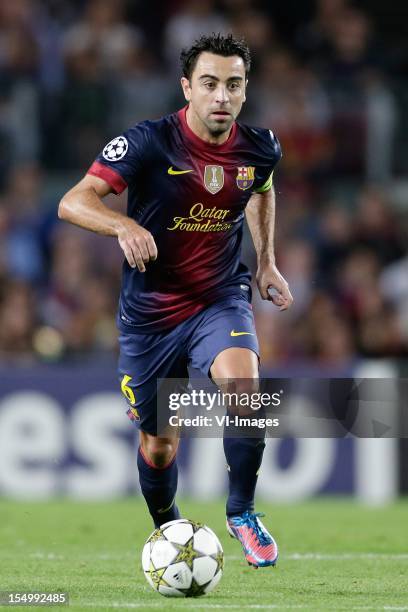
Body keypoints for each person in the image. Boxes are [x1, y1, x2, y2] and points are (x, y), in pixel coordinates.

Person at [59, 33, 293, 569]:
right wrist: (122, 225)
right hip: (151, 316)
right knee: (160, 446)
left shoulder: (260, 147)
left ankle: (242, 511)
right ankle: (169, 527)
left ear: (244, 89)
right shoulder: (148, 142)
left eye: (233, 85)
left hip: (218, 298)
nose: (221, 97)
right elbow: (73, 201)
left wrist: (266, 260)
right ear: (187, 86)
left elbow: (261, 186)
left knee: (244, 388)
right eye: (209, 83)